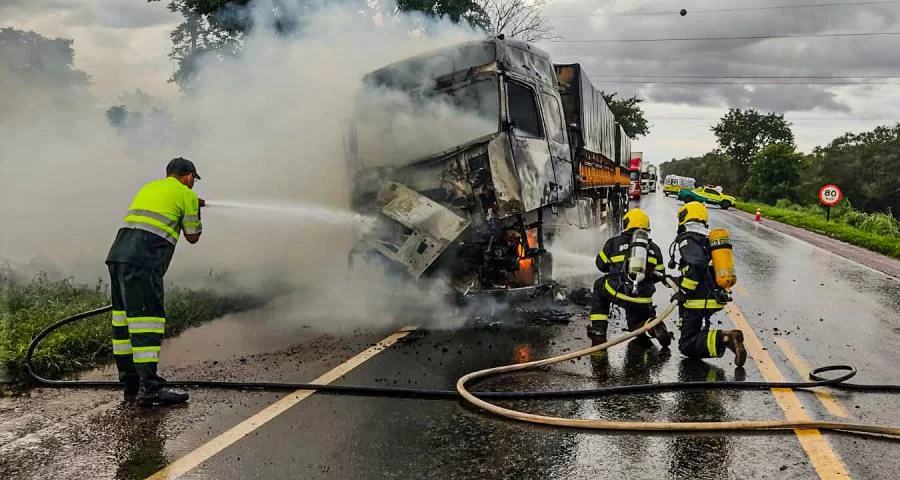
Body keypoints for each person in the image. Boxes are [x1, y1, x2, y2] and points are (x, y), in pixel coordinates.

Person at [106, 157, 204, 406]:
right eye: (194, 180)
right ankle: (149, 389)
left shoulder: (149, 187)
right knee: (146, 323)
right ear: (189, 176)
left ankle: (130, 385)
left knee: (123, 323)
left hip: (118, 256)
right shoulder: (186, 195)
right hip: (144, 261)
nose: (193, 185)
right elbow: (193, 236)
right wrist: (195, 209)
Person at [669, 202, 746, 367]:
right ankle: (724, 339)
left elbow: (696, 264)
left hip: (698, 299)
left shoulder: (688, 237)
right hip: (711, 295)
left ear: (684, 217)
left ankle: (726, 338)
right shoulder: (707, 236)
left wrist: (683, 290)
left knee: (687, 345)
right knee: (695, 336)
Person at [588, 208, 672, 347]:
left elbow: (601, 265)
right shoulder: (654, 248)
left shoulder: (613, 243)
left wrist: (616, 268)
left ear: (626, 224)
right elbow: (659, 275)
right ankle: (652, 325)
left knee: (599, 285)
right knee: (636, 328)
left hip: (619, 292)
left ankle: (598, 329)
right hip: (643, 298)